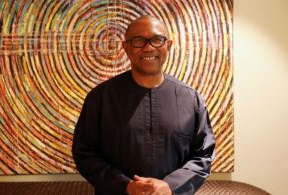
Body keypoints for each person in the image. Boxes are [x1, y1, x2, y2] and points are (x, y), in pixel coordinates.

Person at [72, 15, 215, 195]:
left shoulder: (191, 99)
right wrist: (125, 185)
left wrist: (171, 185)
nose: (148, 48)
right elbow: (84, 153)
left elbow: (203, 155)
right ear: (126, 47)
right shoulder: (100, 98)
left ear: (168, 45)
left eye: (157, 40)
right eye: (138, 40)